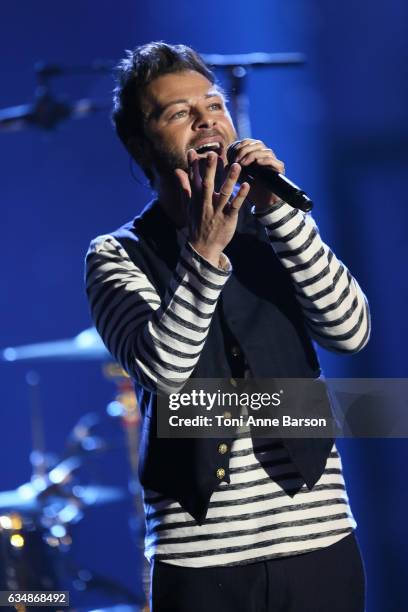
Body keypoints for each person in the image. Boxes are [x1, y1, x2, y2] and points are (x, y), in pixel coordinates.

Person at [85, 42, 370, 612]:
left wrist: (281, 215)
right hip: (202, 559)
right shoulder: (116, 255)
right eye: (179, 113)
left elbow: (350, 331)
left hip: (320, 541)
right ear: (142, 146)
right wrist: (204, 251)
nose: (206, 121)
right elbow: (164, 375)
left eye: (213, 106)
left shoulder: (275, 225)